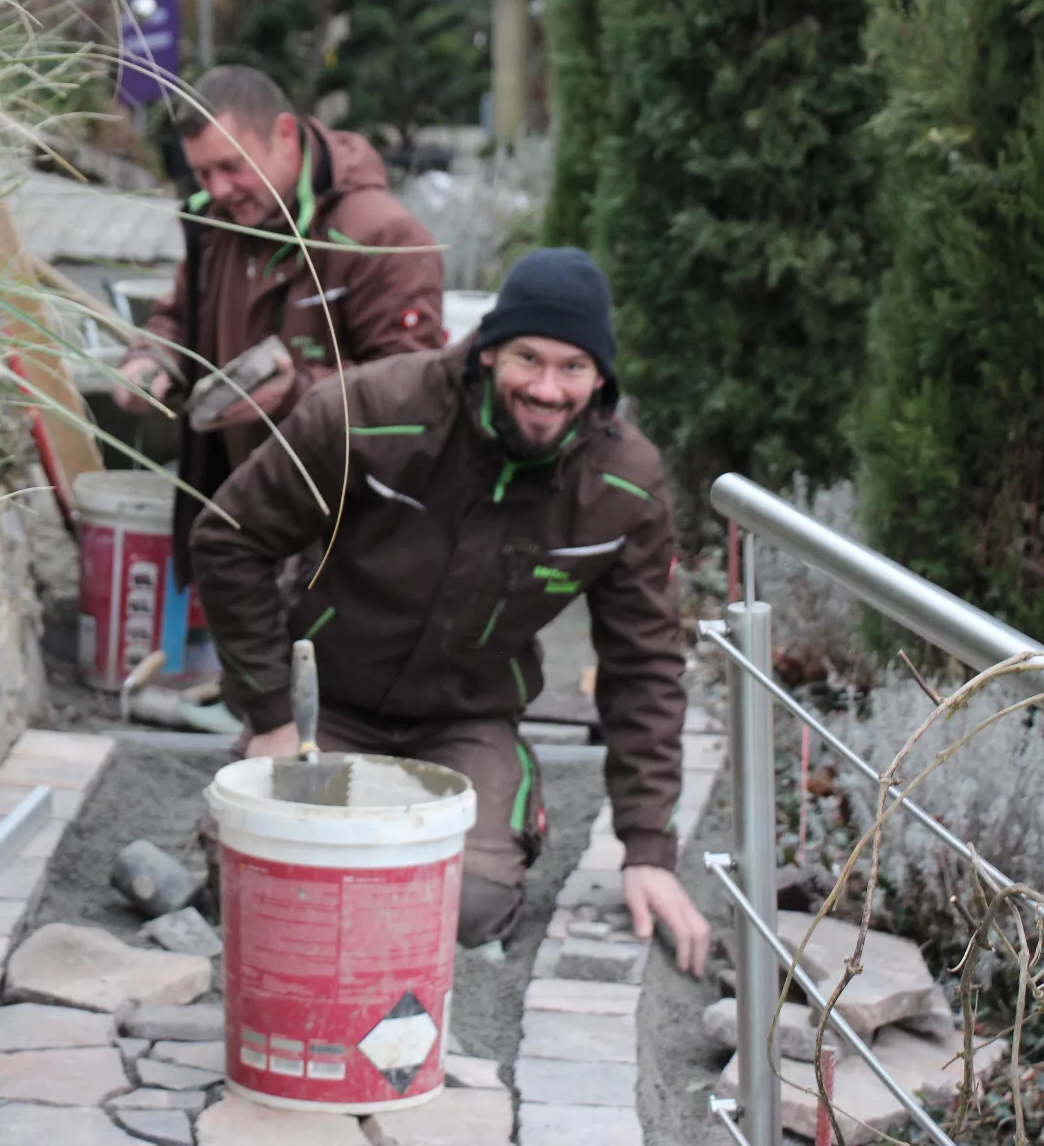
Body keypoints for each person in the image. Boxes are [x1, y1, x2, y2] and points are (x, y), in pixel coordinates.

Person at [189, 248, 710, 969]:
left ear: (602, 379)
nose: (549, 388)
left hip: (467, 719)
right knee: (260, 891)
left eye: (574, 369)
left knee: (468, 909)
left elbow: (645, 665)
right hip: (324, 706)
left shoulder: (624, 486)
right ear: (490, 351)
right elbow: (229, 540)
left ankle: (503, 807)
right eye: (528, 358)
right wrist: (273, 715)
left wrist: (647, 849)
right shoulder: (368, 413)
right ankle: (259, 807)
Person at [115, 64, 444, 580]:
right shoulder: (213, 223)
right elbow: (176, 317)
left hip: (348, 539)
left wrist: (296, 395)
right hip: (244, 521)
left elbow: (414, 398)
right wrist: (150, 360)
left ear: (285, 134)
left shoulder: (384, 237)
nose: (218, 189)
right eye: (202, 173)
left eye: (233, 165)